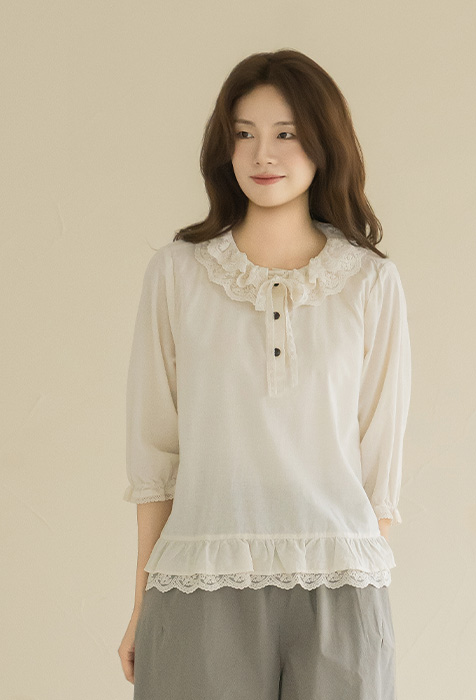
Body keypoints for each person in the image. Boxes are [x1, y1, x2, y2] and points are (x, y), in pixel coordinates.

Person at [118, 48, 412, 700]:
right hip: (200, 579)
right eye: (244, 134)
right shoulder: (178, 273)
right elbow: (155, 457)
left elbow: (379, 459)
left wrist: (355, 575)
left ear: (324, 142)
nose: (262, 154)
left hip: (339, 587)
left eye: (286, 133)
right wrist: (141, 603)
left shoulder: (369, 282)